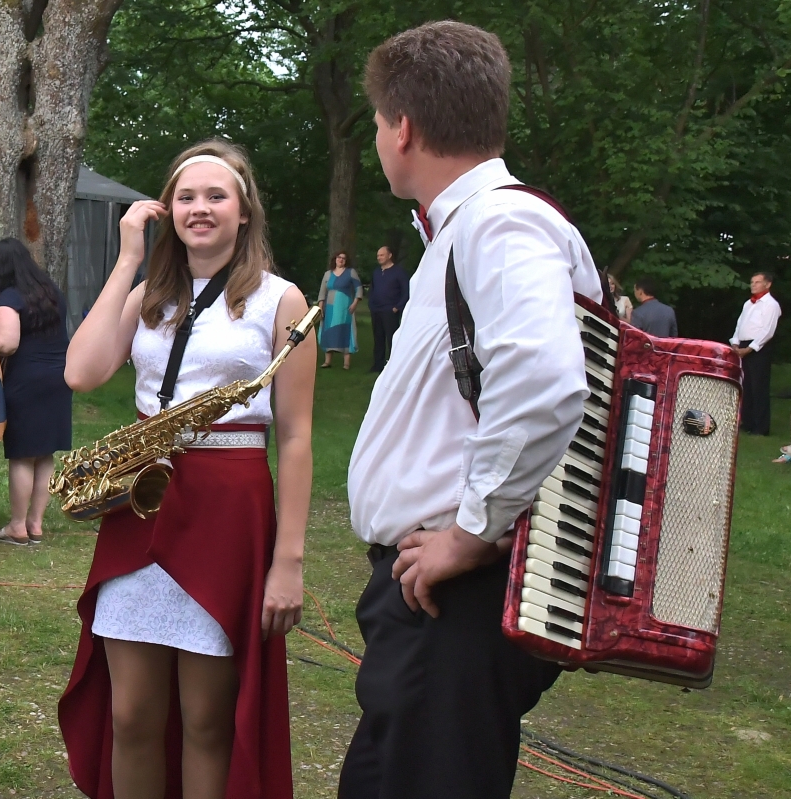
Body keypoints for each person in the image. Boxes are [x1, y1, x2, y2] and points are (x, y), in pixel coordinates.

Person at [342, 22, 604, 799]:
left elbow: (546, 378)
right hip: (432, 598)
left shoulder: (500, 222)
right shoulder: (469, 228)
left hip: (454, 598)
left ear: (403, 128)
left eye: (379, 122)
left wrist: (470, 531)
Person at [58, 140, 314, 799]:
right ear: (167, 209)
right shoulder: (150, 292)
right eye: (186, 197)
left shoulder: (282, 300)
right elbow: (81, 371)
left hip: (227, 509)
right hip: (139, 503)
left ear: (244, 211)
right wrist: (128, 260)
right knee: (131, 713)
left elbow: (295, 437)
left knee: (206, 719)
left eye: (216, 196)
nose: (200, 208)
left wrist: (287, 561)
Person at [0, 238, 72, 546]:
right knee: (44, 453)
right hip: (58, 377)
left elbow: (8, 343)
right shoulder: (50, 291)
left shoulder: (10, 297)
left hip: (26, 380)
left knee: (21, 454)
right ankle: (36, 523)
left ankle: (17, 526)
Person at [730, 271, 781, 436]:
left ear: (768, 284)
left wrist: (750, 348)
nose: (753, 285)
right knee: (746, 386)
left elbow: (767, 331)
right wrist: (735, 342)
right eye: (752, 282)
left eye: (757, 282)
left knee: (759, 387)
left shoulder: (771, 305)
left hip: (759, 348)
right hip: (743, 345)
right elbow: (740, 324)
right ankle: (748, 422)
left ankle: (761, 427)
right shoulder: (748, 304)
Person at [366, 245, 409, 372]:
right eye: (378, 255)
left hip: (390, 310)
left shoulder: (399, 272)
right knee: (378, 338)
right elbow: (372, 289)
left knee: (392, 337)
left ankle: (393, 364)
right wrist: (371, 304)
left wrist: (397, 307)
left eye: (382, 255)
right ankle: (378, 364)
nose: (379, 257)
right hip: (376, 310)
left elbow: (406, 291)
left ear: (389, 255)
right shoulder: (376, 272)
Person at [318, 251, 363, 369]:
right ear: (335, 259)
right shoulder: (328, 274)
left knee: (345, 331)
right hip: (329, 308)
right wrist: (320, 308)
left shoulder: (350, 272)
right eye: (339, 257)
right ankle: (327, 361)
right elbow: (322, 292)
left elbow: (359, 288)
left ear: (346, 261)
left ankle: (346, 363)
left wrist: (355, 303)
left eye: (343, 258)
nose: (341, 260)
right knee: (328, 332)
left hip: (345, 308)